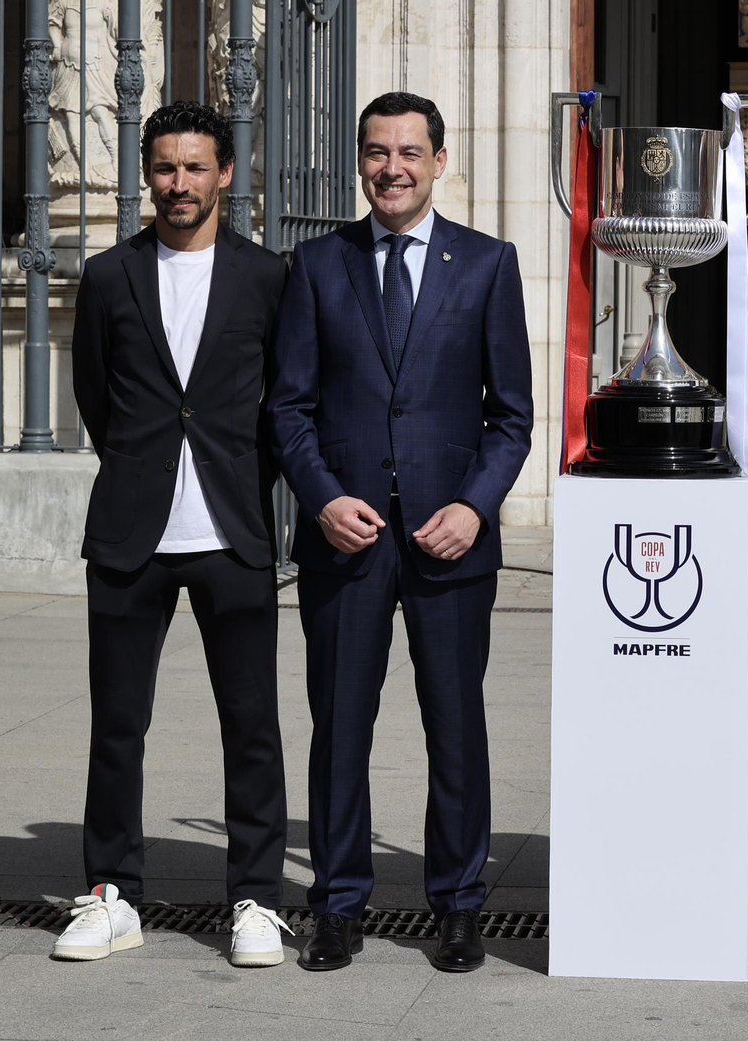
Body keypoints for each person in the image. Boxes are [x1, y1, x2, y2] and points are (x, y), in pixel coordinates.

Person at [269, 91, 533, 973]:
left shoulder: (488, 264)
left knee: (455, 728)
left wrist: (475, 505)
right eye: (378, 152)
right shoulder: (317, 265)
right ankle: (337, 904)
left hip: (450, 538)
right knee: (340, 727)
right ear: (360, 162)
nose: (393, 168)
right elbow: (289, 409)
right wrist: (321, 498)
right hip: (344, 540)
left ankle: (458, 904)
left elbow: (512, 416)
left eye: (409, 152)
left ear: (438, 161)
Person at [62, 101, 291, 967]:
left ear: (224, 173)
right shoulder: (108, 275)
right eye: (165, 167)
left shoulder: (267, 276)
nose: (179, 183)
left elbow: (283, 397)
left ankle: (257, 898)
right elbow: (96, 394)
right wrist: (140, 468)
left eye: (196, 167)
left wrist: (245, 480)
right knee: (117, 724)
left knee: (252, 726)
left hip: (232, 531)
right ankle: (110, 893)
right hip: (132, 536)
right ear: (147, 175)